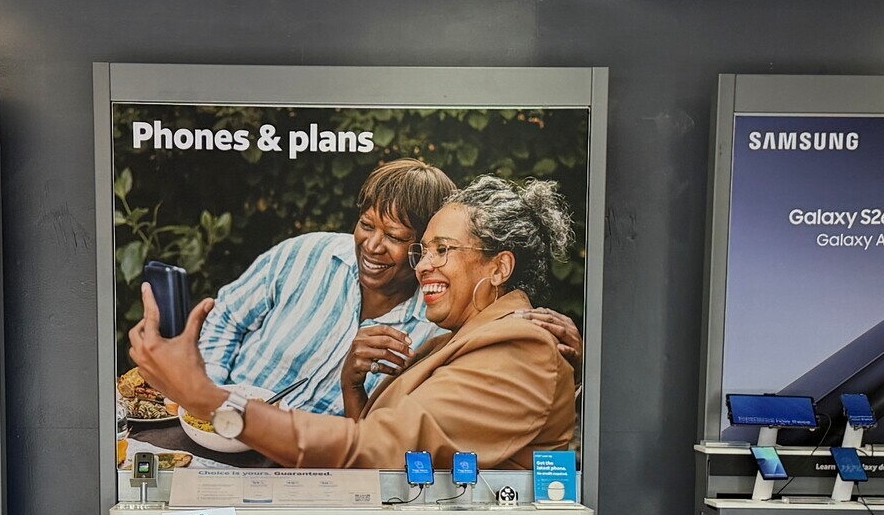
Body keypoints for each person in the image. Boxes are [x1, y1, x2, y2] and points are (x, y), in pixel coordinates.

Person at [127, 176, 580, 472]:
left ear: (499, 268)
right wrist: (353, 386)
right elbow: (403, 448)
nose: (424, 266)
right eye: (424, 251)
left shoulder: (519, 344)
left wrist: (208, 399)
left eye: (442, 250)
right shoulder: (461, 336)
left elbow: (378, 452)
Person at [196, 159, 450, 414]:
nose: (372, 246)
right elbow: (226, 316)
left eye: (393, 236)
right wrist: (210, 396)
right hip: (218, 419)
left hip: (309, 440)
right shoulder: (307, 254)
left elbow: (387, 430)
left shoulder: (433, 333)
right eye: (366, 225)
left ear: (425, 247)